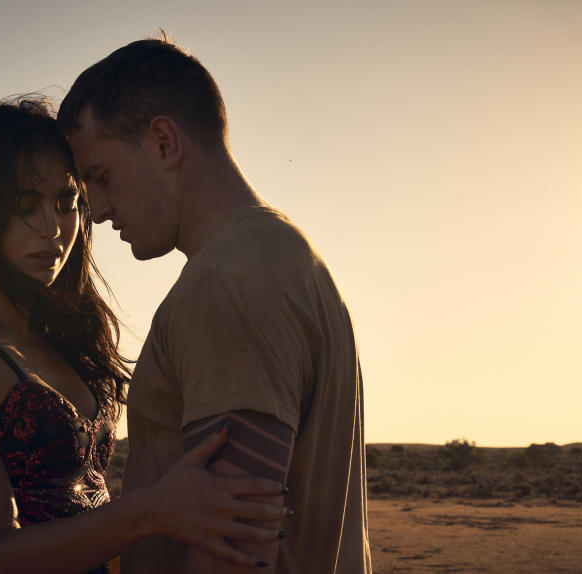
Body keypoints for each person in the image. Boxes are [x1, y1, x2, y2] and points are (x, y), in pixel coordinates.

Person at [0, 97, 290, 574]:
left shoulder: (63, 330)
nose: (53, 229)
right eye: (25, 206)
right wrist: (152, 510)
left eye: (66, 203)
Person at [58, 36, 372, 573]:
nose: (99, 211)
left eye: (101, 178)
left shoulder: (227, 282)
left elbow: (235, 547)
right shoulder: (287, 256)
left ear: (163, 142)